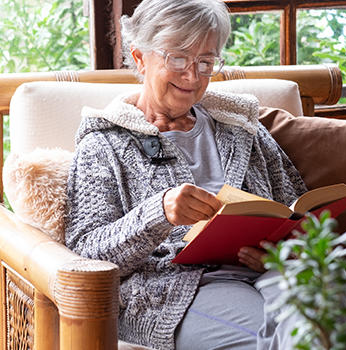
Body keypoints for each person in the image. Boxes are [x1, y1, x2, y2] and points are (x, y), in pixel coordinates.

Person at [65, 0, 308, 349]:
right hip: (178, 289)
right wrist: (158, 213)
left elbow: (294, 206)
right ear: (140, 57)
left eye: (206, 62)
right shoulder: (103, 145)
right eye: (177, 58)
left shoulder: (242, 129)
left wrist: (288, 250)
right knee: (283, 338)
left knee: (326, 297)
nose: (192, 76)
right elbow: (84, 256)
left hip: (272, 272)